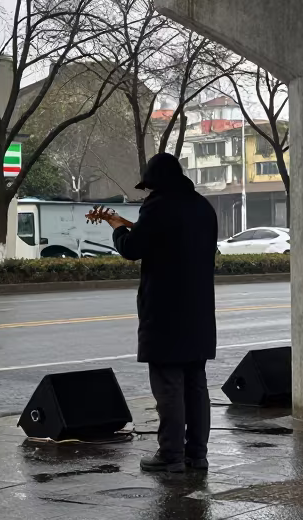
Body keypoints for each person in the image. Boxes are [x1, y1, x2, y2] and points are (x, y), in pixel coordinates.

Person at [101, 152, 218, 473]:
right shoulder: (204, 208)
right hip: (199, 313)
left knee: (168, 386)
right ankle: (198, 454)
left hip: (166, 314)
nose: (148, 193)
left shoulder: (158, 207)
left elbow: (132, 248)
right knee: (196, 386)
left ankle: (170, 455)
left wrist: (117, 228)